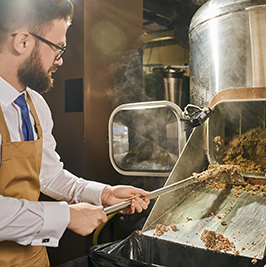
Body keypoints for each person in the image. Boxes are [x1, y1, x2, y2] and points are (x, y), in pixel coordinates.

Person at [0, 0, 150, 266]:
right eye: (58, 48)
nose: (60, 60)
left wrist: (104, 194)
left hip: (34, 259)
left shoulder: (35, 105)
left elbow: (49, 176)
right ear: (23, 41)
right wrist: (65, 216)